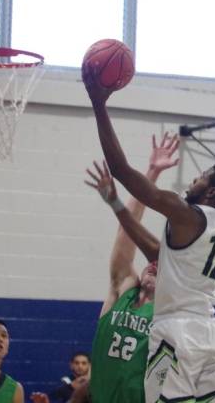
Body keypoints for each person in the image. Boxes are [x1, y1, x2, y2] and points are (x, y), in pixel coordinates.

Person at [84, 65, 215, 403]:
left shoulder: (188, 215)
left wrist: (99, 104)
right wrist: (116, 205)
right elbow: (154, 250)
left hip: (176, 332)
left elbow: (121, 171)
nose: (193, 180)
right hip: (210, 333)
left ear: (212, 191)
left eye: (201, 176)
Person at [85, 133, 180, 403]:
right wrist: (151, 173)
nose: (153, 263)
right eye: (152, 259)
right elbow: (125, 235)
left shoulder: (169, 310)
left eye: (161, 264)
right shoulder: (122, 289)